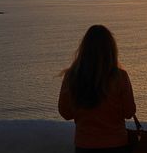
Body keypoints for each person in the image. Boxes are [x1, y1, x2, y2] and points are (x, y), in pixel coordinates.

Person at [58, 25, 136, 153]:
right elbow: (129, 112)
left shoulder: (72, 76)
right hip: (116, 144)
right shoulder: (120, 76)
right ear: (111, 49)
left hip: (85, 145)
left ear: (84, 48)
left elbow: (65, 113)